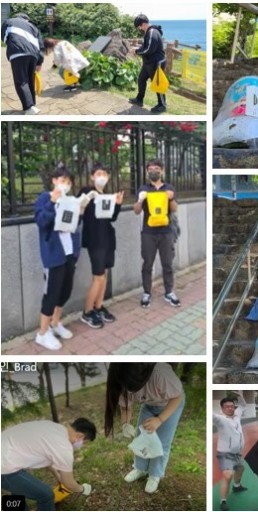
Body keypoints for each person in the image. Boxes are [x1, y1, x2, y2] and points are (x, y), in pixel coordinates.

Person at [34, 167, 92, 350]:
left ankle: (55, 323)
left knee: (65, 291)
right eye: (62, 180)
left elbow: (75, 225)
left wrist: (81, 210)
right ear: (54, 180)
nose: (65, 184)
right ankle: (42, 334)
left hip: (69, 253)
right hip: (53, 255)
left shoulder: (70, 200)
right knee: (51, 293)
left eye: (68, 182)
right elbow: (41, 221)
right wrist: (52, 202)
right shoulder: (45, 198)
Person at [104, 363, 186, 494]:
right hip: (149, 405)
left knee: (162, 442)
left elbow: (177, 397)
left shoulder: (160, 373)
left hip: (170, 404)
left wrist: (159, 420)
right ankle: (140, 468)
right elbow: (126, 406)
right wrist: (125, 423)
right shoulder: (122, 378)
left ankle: (155, 475)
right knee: (141, 437)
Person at [1, 418, 96, 510]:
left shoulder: (52, 427)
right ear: (80, 436)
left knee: (18, 489)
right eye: (84, 442)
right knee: (47, 496)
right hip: (4, 467)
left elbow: (46, 455)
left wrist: (58, 476)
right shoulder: (64, 447)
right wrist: (82, 489)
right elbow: (69, 483)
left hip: (6, 452)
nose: (82, 445)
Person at [79, 163, 123, 329]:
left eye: (104, 173)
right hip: (95, 241)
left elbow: (111, 218)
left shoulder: (107, 196)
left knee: (104, 275)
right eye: (98, 173)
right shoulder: (86, 192)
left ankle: (99, 306)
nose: (102, 176)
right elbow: (79, 208)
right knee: (98, 277)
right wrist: (88, 198)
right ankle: (87, 311)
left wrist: (117, 204)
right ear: (92, 176)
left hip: (108, 240)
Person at [134, 159, 180, 308]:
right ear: (147, 172)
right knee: (148, 263)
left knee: (167, 263)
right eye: (151, 169)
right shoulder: (143, 189)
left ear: (162, 171)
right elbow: (136, 211)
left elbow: (174, 209)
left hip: (166, 232)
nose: (153, 171)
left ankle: (169, 292)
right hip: (148, 232)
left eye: (156, 168)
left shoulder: (169, 188)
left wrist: (171, 197)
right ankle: (147, 292)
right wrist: (140, 200)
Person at [2, 13, 44, 114]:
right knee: (30, 81)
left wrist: (12, 45)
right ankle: (32, 105)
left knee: (21, 81)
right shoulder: (33, 27)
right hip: (33, 55)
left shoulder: (9, 22)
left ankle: (29, 107)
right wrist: (39, 62)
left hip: (18, 53)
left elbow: (4, 37)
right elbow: (41, 45)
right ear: (27, 19)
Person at [214, 391, 248, 511]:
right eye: (227, 407)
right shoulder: (220, 419)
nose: (230, 408)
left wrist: (239, 395)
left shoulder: (237, 415)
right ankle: (223, 501)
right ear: (222, 408)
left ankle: (237, 486)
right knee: (228, 475)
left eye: (232, 406)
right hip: (225, 453)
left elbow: (243, 406)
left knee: (240, 468)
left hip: (237, 452)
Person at [130, 14, 167, 113]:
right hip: (148, 62)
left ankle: (162, 105)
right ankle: (139, 99)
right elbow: (145, 46)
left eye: (139, 27)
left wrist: (136, 51)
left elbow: (149, 49)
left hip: (156, 62)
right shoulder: (149, 32)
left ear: (143, 24)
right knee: (141, 79)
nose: (139, 29)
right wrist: (137, 48)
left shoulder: (152, 32)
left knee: (158, 84)